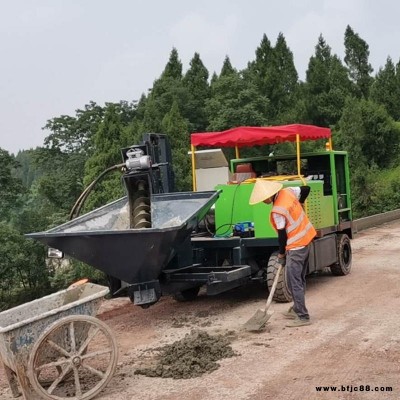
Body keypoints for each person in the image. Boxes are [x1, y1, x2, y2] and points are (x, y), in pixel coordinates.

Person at [249, 179, 316, 327]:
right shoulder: (288, 191)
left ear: (269, 196)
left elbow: (282, 236)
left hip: (296, 246)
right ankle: (297, 308)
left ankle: (303, 316)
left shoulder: (278, 210)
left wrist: (281, 254)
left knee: (294, 281)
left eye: (262, 199)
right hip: (307, 239)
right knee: (299, 279)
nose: (263, 202)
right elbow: (306, 189)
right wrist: (301, 204)